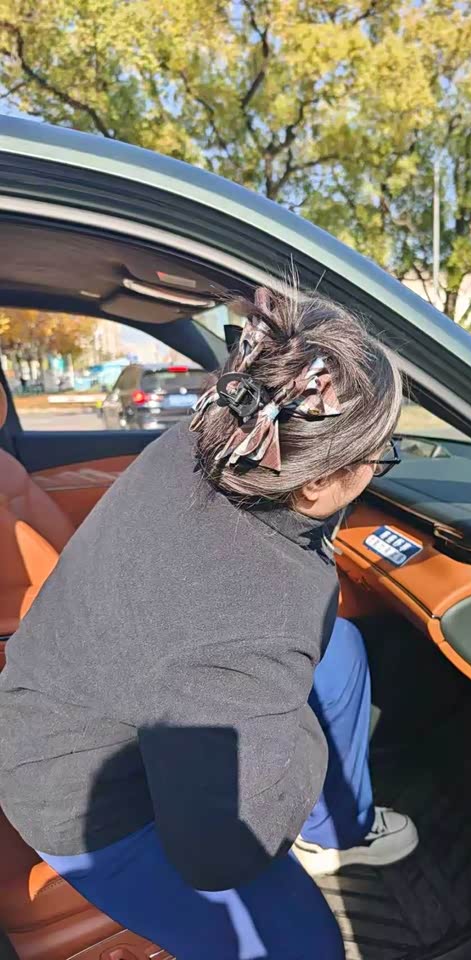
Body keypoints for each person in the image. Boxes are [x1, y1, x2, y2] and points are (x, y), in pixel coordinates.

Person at [0, 288, 418, 960]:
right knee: (305, 946)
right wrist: (298, 738)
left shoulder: (204, 440)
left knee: (338, 647)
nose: (379, 465)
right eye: (380, 453)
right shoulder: (256, 613)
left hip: (92, 671)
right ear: (316, 482)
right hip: (77, 791)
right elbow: (216, 858)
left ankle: (336, 833)